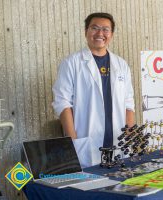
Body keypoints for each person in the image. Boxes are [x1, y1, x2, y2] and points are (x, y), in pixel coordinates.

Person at [52, 13, 135, 167]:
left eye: (105, 29)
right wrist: (74, 141)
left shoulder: (121, 65)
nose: (100, 34)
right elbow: (62, 103)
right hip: (86, 143)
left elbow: (129, 103)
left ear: (111, 34)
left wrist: (129, 139)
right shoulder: (72, 63)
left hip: (118, 142)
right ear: (86, 31)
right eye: (94, 28)